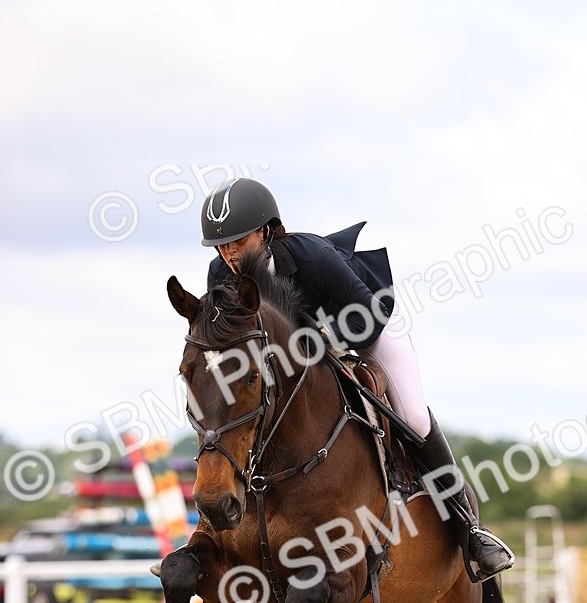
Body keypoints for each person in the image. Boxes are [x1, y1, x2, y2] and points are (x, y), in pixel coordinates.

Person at [198, 177, 514, 581]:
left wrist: (322, 340)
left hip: (369, 324)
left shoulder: (309, 256)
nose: (229, 253)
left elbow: (365, 313)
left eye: (238, 241)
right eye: (222, 246)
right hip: (298, 354)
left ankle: (469, 530)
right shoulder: (219, 275)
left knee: (414, 417)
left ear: (265, 230)